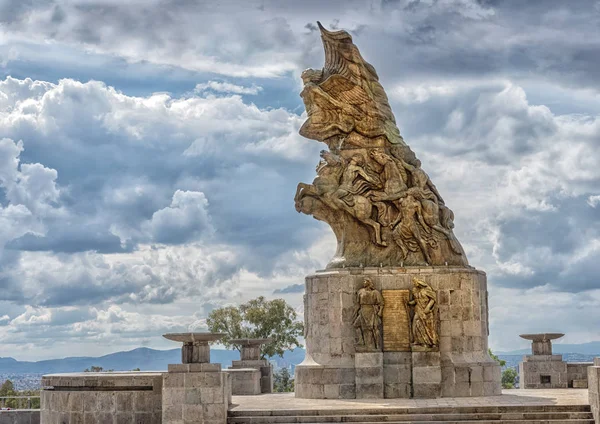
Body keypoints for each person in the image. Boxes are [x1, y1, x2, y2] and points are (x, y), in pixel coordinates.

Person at [353, 278, 384, 350]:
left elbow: (381, 303)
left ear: (369, 282)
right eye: (363, 281)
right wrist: (355, 313)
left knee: (373, 328)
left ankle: (377, 345)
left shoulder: (375, 292)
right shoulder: (360, 291)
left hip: (371, 310)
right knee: (356, 325)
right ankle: (361, 340)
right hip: (362, 311)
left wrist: (380, 311)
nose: (363, 282)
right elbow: (358, 304)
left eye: (365, 281)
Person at [409, 277, 438, 348]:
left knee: (428, 327)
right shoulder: (416, 291)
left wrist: (428, 307)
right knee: (415, 323)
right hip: (418, 309)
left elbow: (433, 299)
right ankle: (419, 340)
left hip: (426, 311)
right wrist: (409, 302)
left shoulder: (427, 290)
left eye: (415, 282)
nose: (414, 284)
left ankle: (431, 342)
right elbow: (416, 300)